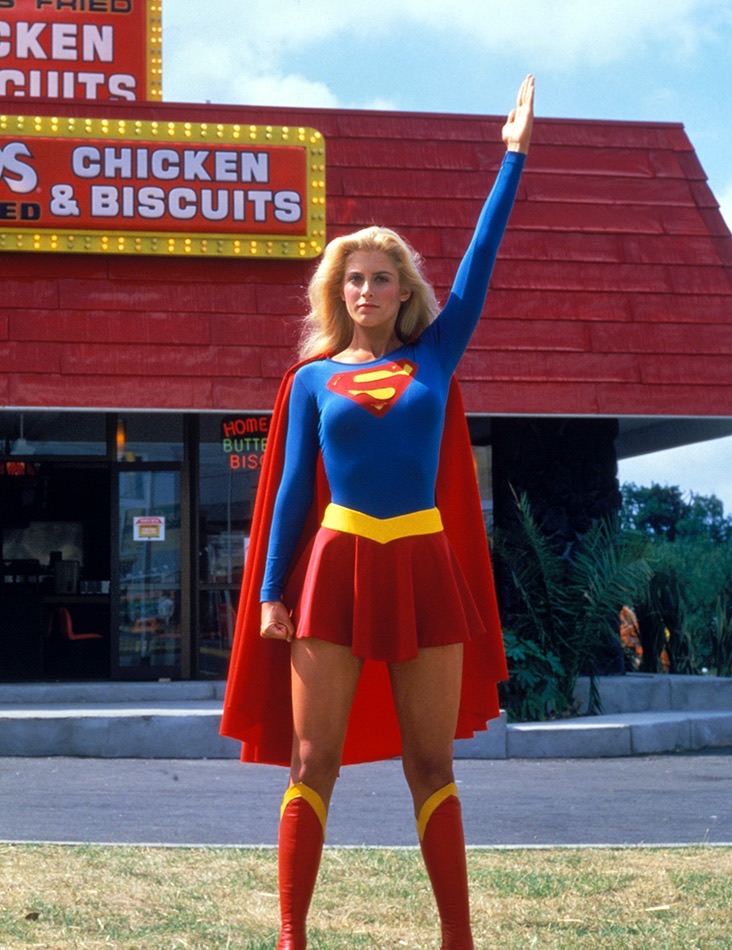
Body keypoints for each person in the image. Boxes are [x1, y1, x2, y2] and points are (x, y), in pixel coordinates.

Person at [221, 74, 535, 949]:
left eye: (381, 278)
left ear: (403, 292)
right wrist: (272, 591)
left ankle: (457, 937)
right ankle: (292, 936)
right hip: (335, 566)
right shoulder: (312, 381)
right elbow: (293, 490)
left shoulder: (435, 355)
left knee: (431, 763)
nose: (366, 290)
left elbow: (480, 262)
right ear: (340, 292)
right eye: (354, 279)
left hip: (425, 565)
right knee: (311, 760)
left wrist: (513, 158)